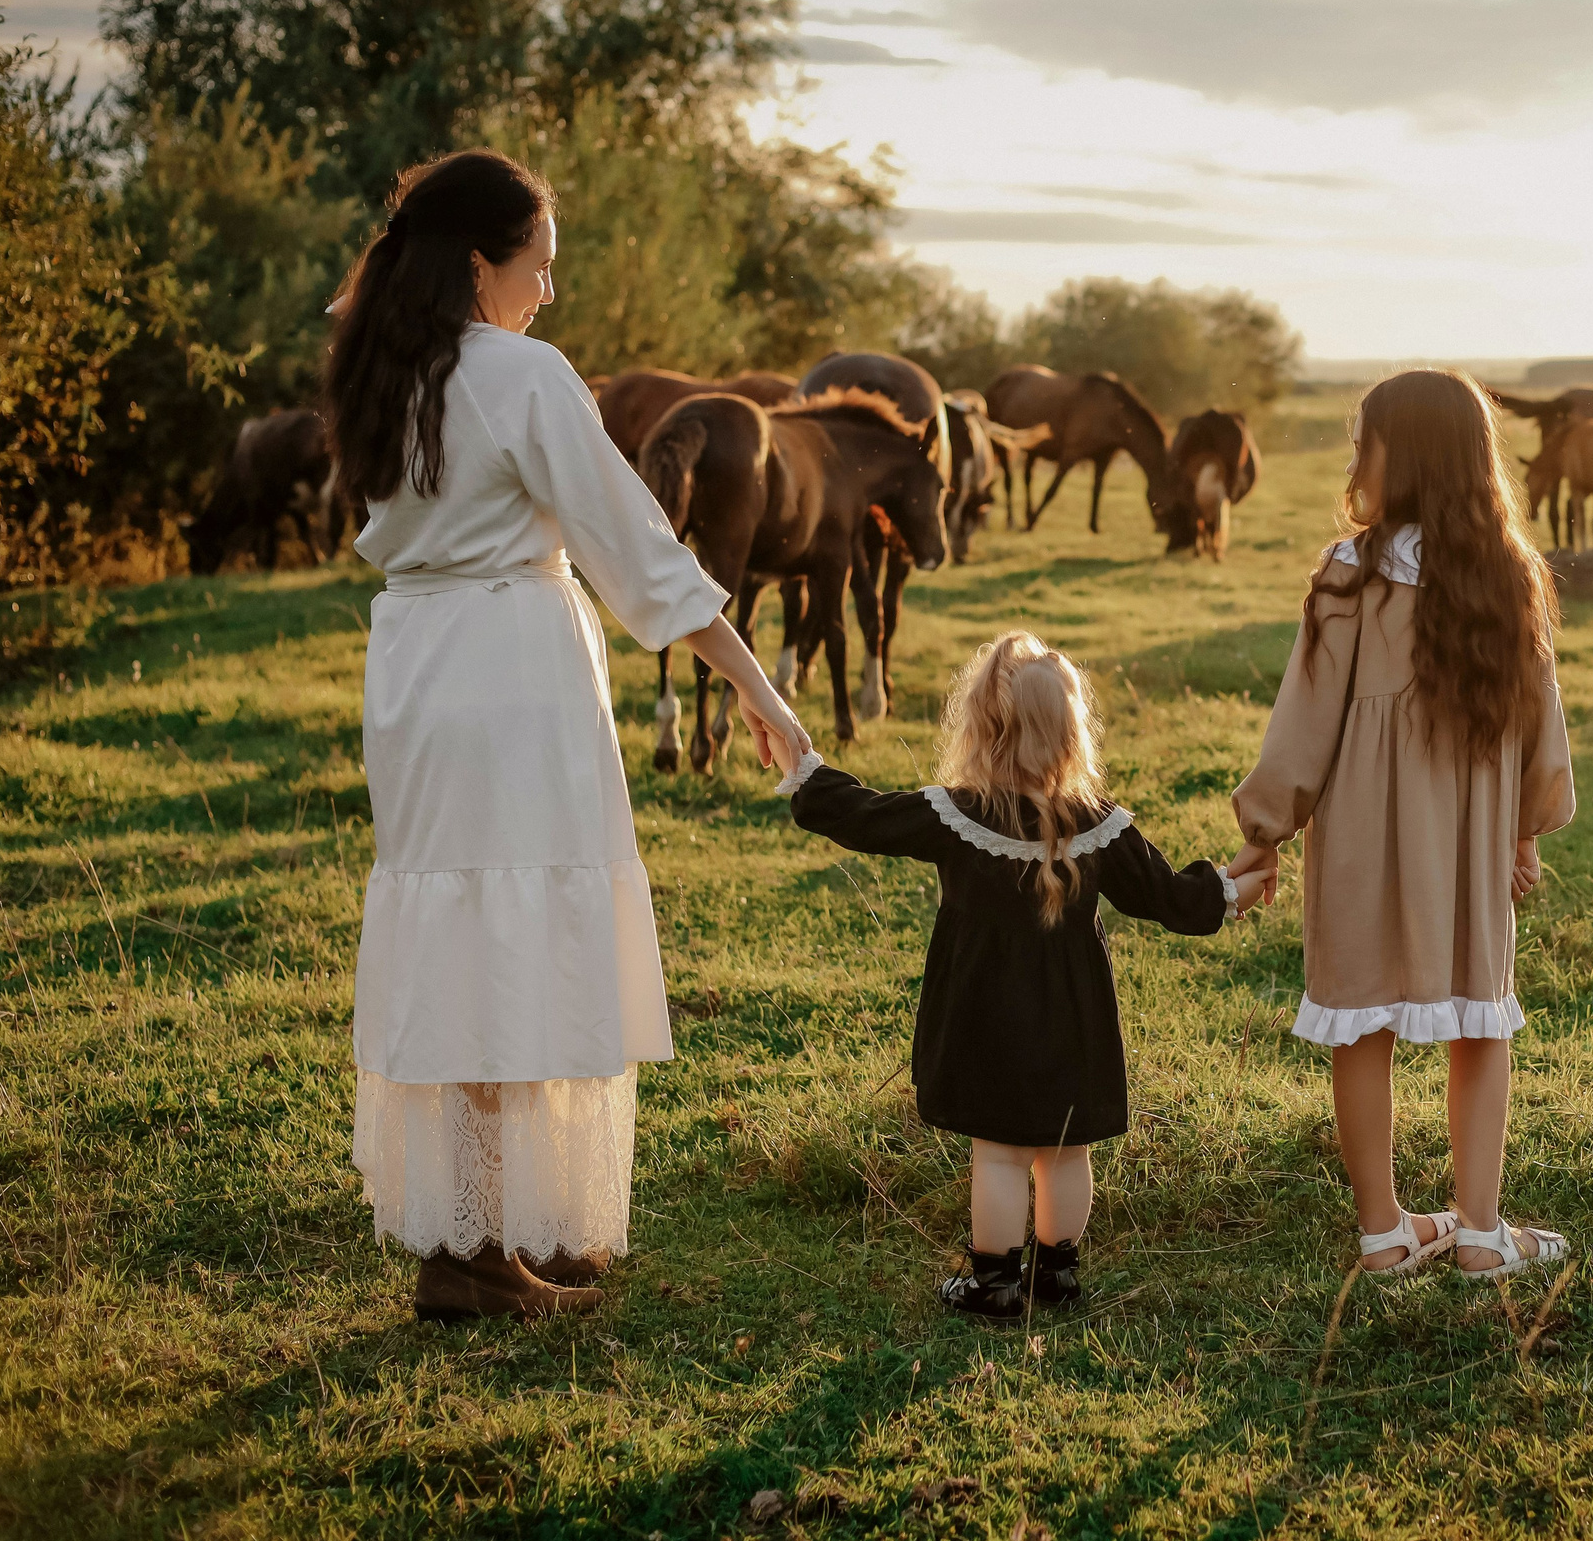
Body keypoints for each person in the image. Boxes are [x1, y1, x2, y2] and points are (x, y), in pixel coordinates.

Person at [330, 149, 806, 1321]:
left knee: (465, 930)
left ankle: (503, 1228)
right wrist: (757, 687)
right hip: (509, 675)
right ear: (480, 264)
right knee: (516, 936)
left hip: (416, 674)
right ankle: (482, 1249)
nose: (549, 292)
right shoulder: (523, 375)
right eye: (538, 267)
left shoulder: (379, 364)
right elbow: (631, 543)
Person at [781, 631, 1269, 1317]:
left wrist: (804, 769)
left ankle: (994, 1281)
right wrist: (1233, 887)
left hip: (986, 1017)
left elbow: (864, 815)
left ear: (983, 727)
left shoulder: (955, 814)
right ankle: (1058, 1275)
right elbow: (1171, 898)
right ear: (1072, 732)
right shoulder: (1100, 826)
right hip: (1075, 1020)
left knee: (1002, 1153)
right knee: (1066, 1151)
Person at [1228, 368, 1576, 1280]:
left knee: (1359, 1024)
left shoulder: (1355, 572)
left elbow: (1304, 720)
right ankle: (1481, 1233)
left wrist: (1264, 829)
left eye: (1365, 444)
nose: (1355, 462)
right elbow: (1540, 718)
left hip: (1365, 846)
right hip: (1466, 844)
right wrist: (1522, 831)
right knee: (1480, 1025)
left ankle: (1384, 1232)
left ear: (1404, 458)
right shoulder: (1509, 573)